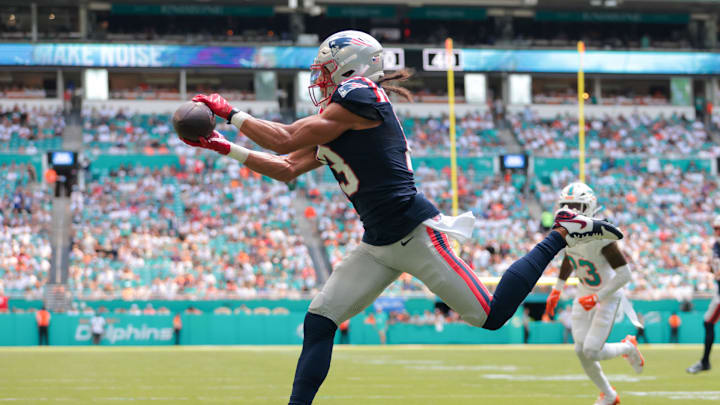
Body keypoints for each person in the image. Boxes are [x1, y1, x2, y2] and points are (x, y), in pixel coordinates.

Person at [183, 30, 623, 405]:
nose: (319, 77)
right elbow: (286, 168)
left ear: (350, 68)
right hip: (377, 245)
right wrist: (224, 146)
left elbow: (284, 140)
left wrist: (229, 113)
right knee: (319, 320)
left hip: (416, 234)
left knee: (491, 317)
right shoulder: (337, 118)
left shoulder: (362, 97)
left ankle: (560, 233)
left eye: (325, 68)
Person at [545, 182, 643, 405]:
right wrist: (556, 289)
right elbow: (570, 258)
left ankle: (629, 346)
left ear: (588, 207)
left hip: (607, 295)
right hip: (584, 291)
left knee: (590, 350)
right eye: (566, 206)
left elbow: (625, 275)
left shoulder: (601, 235)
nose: (570, 212)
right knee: (580, 350)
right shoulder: (567, 232)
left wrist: (597, 298)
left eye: (576, 206)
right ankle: (608, 394)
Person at [687, 215, 720, 373]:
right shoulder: (715, 245)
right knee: (708, 323)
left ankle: (705, 362)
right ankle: (705, 362)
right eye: (715, 228)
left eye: (718, 228)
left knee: (708, 323)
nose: (717, 231)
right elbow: (714, 269)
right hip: (718, 291)